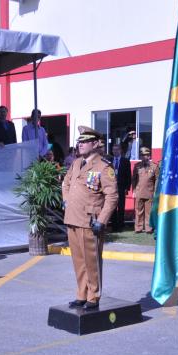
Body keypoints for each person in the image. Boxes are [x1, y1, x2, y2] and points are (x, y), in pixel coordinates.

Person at [61, 126, 118, 310]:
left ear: (95, 144)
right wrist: (66, 200)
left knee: (91, 261)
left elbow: (112, 196)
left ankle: (93, 295)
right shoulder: (76, 163)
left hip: (90, 221)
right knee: (78, 261)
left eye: (85, 141)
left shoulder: (103, 167)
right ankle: (82, 294)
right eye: (79, 141)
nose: (80, 144)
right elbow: (66, 183)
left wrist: (102, 220)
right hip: (72, 218)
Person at [131, 147, 158, 233]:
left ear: (149, 156)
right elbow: (134, 179)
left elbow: (157, 180)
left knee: (148, 212)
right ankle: (138, 228)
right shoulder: (137, 166)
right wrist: (134, 191)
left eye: (146, 155)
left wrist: (155, 191)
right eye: (142, 155)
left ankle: (148, 228)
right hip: (139, 192)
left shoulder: (154, 166)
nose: (144, 157)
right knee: (138, 211)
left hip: (150, 192)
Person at [110, 143, 132, 232]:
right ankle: (114, 226)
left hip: (121, 187)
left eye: (117, 149)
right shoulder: (109, 161)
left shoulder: (125, 161)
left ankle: (120, 225)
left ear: (120, 150)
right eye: (114, 150)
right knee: (112, 206)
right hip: (111, 187)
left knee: (121, 206)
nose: (115, 151)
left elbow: (128, 176)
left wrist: (127, 187)